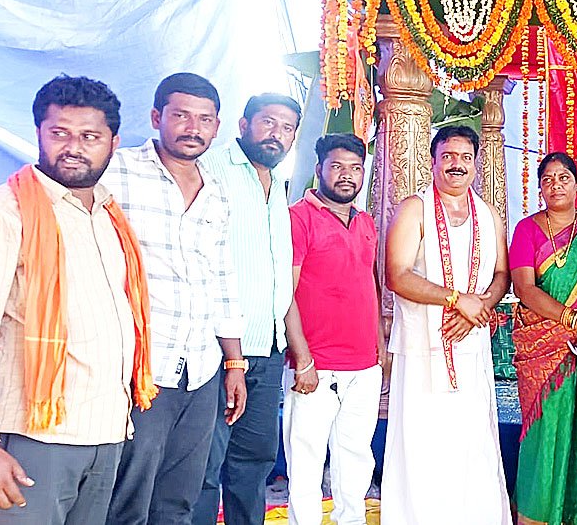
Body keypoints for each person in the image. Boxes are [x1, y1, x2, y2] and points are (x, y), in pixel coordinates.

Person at [0, 76, 149, 525]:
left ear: (113, 143)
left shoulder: (111, 218)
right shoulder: (4, 213)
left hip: (107, 433)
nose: (73, 147)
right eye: (59, 133)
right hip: (33, 441)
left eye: (89, 136)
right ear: (38, 132)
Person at [103, 73, 248, 525]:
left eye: (204, 119)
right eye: (181, 115)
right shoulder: (117, 171)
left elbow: (221, 278)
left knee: (180, 499)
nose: (193, 127)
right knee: (128, 497)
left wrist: (234, 363)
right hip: (143, 368)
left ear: (217, 126)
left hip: (201, 370)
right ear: (155, 117)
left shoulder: (216, 189)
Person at [381, 126, 511, 524]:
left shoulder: (489, 214)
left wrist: (481, 306)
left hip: (470, 348)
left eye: (465, 157)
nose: (457, 165)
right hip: (423, 349)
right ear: (434, 161)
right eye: (448, 156)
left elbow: (502, 275)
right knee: (423, 442)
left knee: (472, 440)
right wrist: (457, 300)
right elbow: (397, 275)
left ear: (476, 164)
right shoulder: (413, 209)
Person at [195, 92, 302, 525]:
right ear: (243, 124)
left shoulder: (278, 184)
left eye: (287, 127)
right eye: (268, 122)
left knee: (254, 463)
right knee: (205, 463)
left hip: (268, 348)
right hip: (219, 349)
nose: (276, 134)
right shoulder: (212, 169)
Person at [509, 152, 577, 525]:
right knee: (543, 436)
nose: (555, 185)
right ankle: (537, 516)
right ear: (540, 187)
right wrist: (575, 320)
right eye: (548, 179)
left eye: (563, 178)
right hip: (543, 348)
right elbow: (525, 289)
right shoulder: (527, 229)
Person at [281, 134, 383, 525]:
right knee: (305, 460)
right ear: (319, 167)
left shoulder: (366, 222)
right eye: (337, 166)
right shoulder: (297, 218)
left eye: (356, 168)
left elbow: (369, 287)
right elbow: (285, 294)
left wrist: (379, 352)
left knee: (356, 456)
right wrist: (303, 358)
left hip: (364, 366)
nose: (347, 176)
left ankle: (351, 520)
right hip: (314, 365)